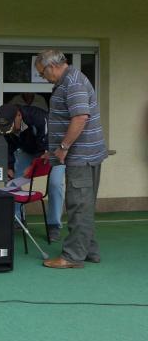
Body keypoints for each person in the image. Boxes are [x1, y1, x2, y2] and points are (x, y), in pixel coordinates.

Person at [34, 50, 107, 268]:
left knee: (78, 206)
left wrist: (64, 147)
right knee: (85, 205)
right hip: (85, 155)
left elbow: (80, 117)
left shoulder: (73, 83)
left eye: (42, 73)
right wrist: (53, 152)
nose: (43, 78)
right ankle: (89, 250)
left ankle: (72, 256)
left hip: (81, 157)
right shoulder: (70, 80)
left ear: (52, 66)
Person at [0, 102, 65, 242]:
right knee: (11, 180)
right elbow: (7, 146)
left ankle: (54, 225)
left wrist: (34, 166)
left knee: (55, 184)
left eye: (11, 127)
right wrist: (9, 166)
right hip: (28, 150)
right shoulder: (5, 123)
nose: (9, 130)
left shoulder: (39, 118)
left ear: (19, 116)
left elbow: (45, 148)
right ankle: (17, 219)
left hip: (53, 150)